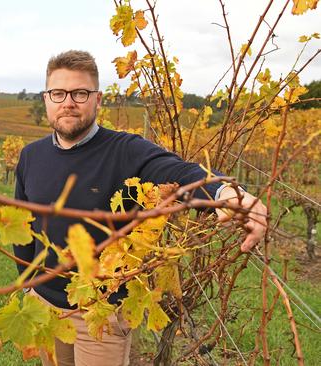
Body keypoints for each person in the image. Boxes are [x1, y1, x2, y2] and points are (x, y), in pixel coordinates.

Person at [13, 50, 267, 366]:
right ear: (46, 98)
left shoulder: (126, 150)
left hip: (100, 314)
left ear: (98, 99)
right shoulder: (31, 157)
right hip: (46, 308)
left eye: (80, 93)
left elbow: (178, 172)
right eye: (58, 93)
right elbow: (23, 228)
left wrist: (225, 191)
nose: (68, 102)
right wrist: (27, 286)